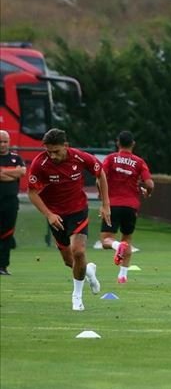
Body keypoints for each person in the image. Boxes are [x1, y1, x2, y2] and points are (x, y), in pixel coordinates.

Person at [26, 129, 109, 311]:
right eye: (49, 151)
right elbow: (31, 192)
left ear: (66, 146)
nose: (52, 155)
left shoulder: (79, 158)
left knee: (78, 252)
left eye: (56, 151)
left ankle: (77, 298)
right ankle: (89, 271)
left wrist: (105, 205)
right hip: (56, 216)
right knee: (69, 260)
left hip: (78, 211)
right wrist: (49, 214)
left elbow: (100, 173)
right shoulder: (40, 164)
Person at [99, 131, 154, 284]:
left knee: (105, 240)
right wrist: (147, 192)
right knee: (127, 238)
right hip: (131, 206)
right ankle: (122, 276)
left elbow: (99, 178)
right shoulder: (139, 161)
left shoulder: (110, 159)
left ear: (118, 143)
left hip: (113, 204)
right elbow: (149, 183)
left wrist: (103, 200)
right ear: (133, 144)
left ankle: (117, 246)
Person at [0, 130, 27, 275]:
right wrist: (12, 173)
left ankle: (3, 266)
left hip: (10, 202)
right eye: (0, 142)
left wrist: (3, 173)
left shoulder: (17, 158)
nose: (3, 145)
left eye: (5, 141)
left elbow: (22, 172)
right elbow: (15, 173)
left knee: (7, 234)